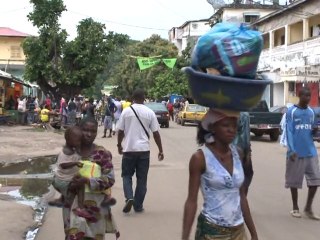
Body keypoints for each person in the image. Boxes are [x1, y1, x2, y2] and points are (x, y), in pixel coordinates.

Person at [182, 109, 258, 240]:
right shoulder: (200, 158)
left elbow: (241, 196)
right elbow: (191, 201)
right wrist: (184, 237)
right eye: (226, 125)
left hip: (238, 231)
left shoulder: (238, 153)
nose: (231, 130)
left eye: (234, 126)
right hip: (211, 231)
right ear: (212, 127)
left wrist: (253, 233)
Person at [63, 117, 119, 239]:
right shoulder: (70, 152)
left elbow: (110, 179)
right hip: (74, 205)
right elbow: (59, 176)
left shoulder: (102, 153)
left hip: (96, 208)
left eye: (93, 131)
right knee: (75, 235)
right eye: (85, 130)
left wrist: (87, 181)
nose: (89, 134)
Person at [117, 89, 164, 213]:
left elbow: (120, 131)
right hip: (144, 151)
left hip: (129, 150)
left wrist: (119, 145)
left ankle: (129, 197)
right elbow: (156, 133)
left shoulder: (126, 112)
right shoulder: (149, 112)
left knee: (126, 175)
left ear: (133, 98)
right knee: (142, 179)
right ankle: (138, 205)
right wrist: (160, 150)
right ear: (144, 98)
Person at [285, 87, 320, 220]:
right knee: (294, 182)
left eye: (309, 96)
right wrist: (292, 150)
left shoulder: (311, 112)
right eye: (305, 96)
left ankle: (308, 208)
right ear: (299, 96)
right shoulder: (292, 111)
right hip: (296, 152)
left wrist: (315, 131)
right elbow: (289, 131)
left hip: (310, 151)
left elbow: (311, 132)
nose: (308, 98)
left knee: (315, 181)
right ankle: (295, 208)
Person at [51, 126, 93, 219]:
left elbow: (80, 155)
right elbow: (63, 165)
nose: (80, 143)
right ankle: (80, 208)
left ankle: (62, 198)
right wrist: (75, 163)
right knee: (80, 186)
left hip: (67, 177)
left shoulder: (72, 149)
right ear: (68, 140)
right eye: (78, 141)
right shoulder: (66, 152)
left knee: (79, 176)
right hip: (64, 180)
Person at [233, 111, 253, 196]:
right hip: (239, 149)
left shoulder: (221, 110)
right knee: (247, 174)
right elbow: (245, 136)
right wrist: (248, 152)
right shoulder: (244, 114)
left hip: (224, 148)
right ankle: (242, 197)